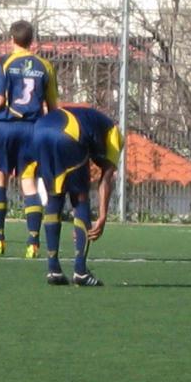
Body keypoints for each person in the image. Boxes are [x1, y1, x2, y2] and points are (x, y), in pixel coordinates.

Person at [0, 19, 58, 258]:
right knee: (29, 182)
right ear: (32, 41)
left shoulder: (3, 62)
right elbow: (54, 107)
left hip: (6, 127)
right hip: (33, 129)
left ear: (11, 39)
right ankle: (33, 243)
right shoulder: (45, 65)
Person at [33, 106, 123, 286]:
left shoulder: (93, 121)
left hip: (39, 130)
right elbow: (107, 176)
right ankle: (80, 271)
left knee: (54, 197)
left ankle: (53, 269)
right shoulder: (115, 135)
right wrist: (103, 216)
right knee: (80, 198)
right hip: (70, 133)